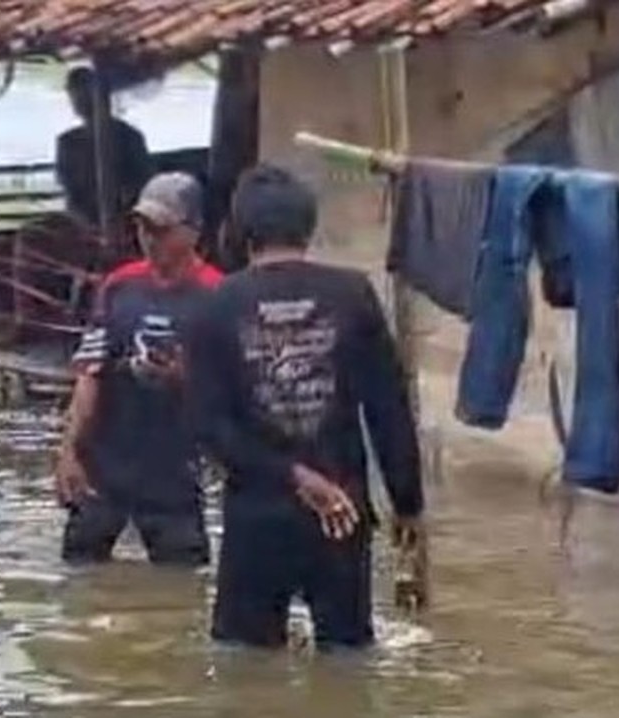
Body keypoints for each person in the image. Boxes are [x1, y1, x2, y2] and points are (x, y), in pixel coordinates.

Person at [185, 164, 424, 650]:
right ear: (308, 225)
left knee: (245, 667)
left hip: (258, 519)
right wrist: (408, 505)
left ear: (239, 230)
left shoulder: (216, 305)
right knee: (348, 659)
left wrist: (292, 476)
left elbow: (210, 428)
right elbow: (389, 409)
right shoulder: (352, 294)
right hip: (343, 513)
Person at [54, 172, 223, 566]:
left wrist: (185, 377)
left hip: (174, 471)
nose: (149, 238)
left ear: (193, 232)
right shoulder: (119, 286)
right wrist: (68, 452)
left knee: (183, 579)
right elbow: (90, 373)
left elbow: (229, 395)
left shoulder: (217, 295)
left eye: (161, 229)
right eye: (142, 227)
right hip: (106, 462)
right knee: (80, 572)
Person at [55, 67, 153, 231]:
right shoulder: (67, 142)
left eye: (83, 94)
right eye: (74, 95)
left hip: (125, 219)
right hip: (82, 220)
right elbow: (69, 187)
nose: (77, 101)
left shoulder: (128, 136)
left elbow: (141, 181)